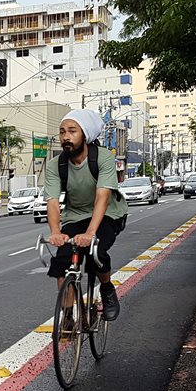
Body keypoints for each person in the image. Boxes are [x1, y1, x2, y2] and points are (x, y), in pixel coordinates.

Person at [45, 109, 129, 322]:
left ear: (85, 135)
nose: (66, 136)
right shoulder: (56, 165)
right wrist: (55, 232)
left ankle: (108, 290)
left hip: (109, 213)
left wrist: (91, 233)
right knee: (63, 260)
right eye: (62, 131)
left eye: (72, 131)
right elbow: (53, 201)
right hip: (75, 216)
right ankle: (67, 317)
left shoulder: (102, 158)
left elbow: (102, 197)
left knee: (95, 252)